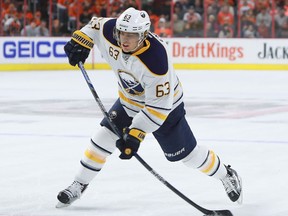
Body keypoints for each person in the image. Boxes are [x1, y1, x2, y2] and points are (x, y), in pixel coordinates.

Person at [56, 7, 243, 208]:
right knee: (103, 138)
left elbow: (158, 107)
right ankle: (79, 183)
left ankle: (226, 174)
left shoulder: (156, 61)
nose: (124, 39)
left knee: (188, 157)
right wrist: (81, 40)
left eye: (131, 35)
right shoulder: (112, 30)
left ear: (143, 35)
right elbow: (94, 25)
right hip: (129, 102)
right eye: (122, 33)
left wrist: (135, 134)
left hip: (167, 109)